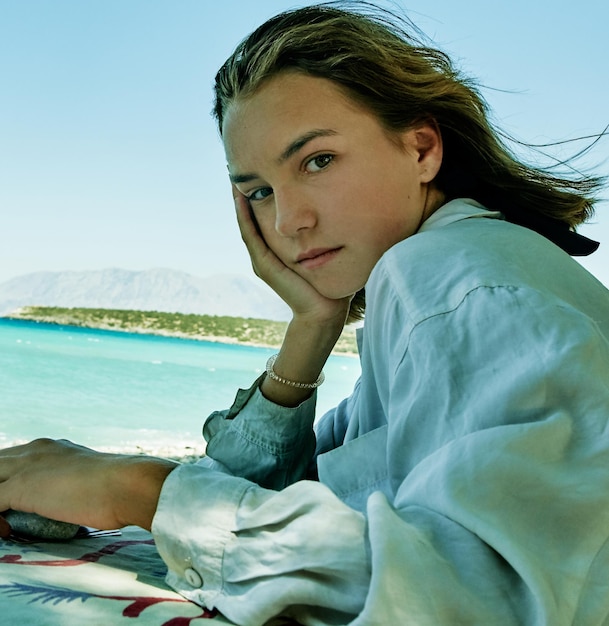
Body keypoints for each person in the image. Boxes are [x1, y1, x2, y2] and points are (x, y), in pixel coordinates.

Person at [1, 3, 609, 624]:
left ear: (422, 148)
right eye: (259, 191)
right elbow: (292, 492)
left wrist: (137, 490)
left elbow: (480, 601)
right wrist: (312, 326)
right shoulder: (440, 275)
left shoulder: (447, 274)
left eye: (317, 161)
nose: (289, 220)